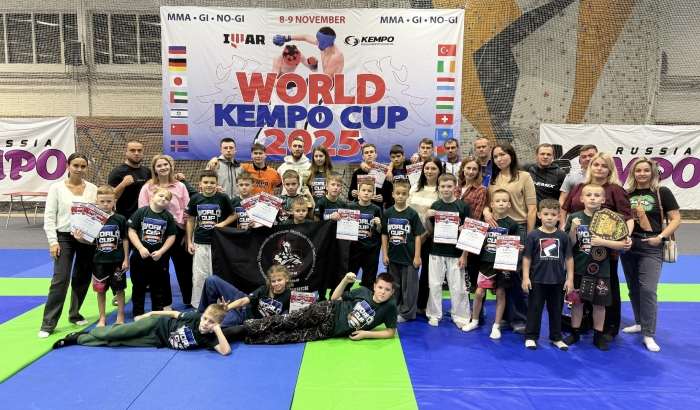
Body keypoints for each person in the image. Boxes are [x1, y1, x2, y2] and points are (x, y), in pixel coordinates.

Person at [561, 152, 634, 340]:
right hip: (580, 250)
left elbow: (627, 218)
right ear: (589, 166)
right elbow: (566, 211)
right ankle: (581, 326)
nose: (599, 168)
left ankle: (607, 330)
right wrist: (565, 233)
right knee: (579, 294)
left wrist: (625, 237)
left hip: (604, 252)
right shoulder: (579, 187)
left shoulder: (615, 190)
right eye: (596, 164)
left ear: (610, 169)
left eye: (604, 165)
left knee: (604, 292)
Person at [223, 272, 397, 344]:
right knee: (287, 321)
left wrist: (367, 334)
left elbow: (390, 332)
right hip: (328, 309)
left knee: (290, 337)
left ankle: (246, 337)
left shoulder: (389, 307)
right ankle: (240, 329)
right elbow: (334, 297)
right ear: (374, 286)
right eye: (380, 287)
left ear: (392, 292)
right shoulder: (364, 291)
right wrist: (345, 281)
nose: (383, 292)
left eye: (387, 290)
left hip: (330, 331)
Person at [620, 158, 682, 352]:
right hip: (629, 245)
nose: (642, 174)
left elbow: (676, 219)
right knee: (633, 288)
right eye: (638, 170)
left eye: (646, 170)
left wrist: (660, 237)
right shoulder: (626, 193)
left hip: (652, 245)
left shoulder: (662, 192)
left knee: (647, 290)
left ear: (653, 172)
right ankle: (639, 322)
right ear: (633, 173)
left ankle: (648, 334)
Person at [39, 153, 98, 338]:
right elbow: (49, 216)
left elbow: (98, 214)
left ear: (87, 168)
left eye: (83, 166)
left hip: (87, 238)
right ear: (68, 166)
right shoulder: (56, 188)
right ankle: (48, 323)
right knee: (60, 279)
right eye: (76, 166)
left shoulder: (93, 189)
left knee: (82, 277)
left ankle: (75, 313)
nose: (79, 169)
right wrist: (53, 242)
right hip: (64, 237)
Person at [564, 184, 626, 351]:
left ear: (603, 199)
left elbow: (622, 245)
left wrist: (602, 242)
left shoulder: (610, 219)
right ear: (581, 198)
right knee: (576, 303)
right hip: (579, 268)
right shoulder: (575, 217)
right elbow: (569, 245)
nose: (592, 198)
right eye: (589, 195)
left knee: (600, 304)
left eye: (597, 195)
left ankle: (598, 336)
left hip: (602, 270)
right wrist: (573, 229)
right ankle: (575, 333)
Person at [483, 142, 536, 334]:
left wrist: (529, 237)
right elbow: (488, 203)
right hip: (498, 230)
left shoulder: (524, 177)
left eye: (502, 155)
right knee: (502, 274)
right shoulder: (493, 179)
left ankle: (520, 318)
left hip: (518, 228)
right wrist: (486, 213)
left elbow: (532, 208)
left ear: (511, 156)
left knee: (517, 273)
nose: (499, 159)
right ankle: (505, 315)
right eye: (496, 156)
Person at [52, 304, 231, 356]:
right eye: (205, 318)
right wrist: (151, 313)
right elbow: (174, 314)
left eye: (211, 322)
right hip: (156, 324)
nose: (205, 323)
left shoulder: (209, 338)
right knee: (118, 332)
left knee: (118, 342)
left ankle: (79, 338)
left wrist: (217, 330)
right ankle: (88, 333)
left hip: (157, 340)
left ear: (217, 324)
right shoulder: (193, 318)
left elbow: (225, 351)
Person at [462, 190, 520, 338]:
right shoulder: (484, 222)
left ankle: (496, 325)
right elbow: (475, 239)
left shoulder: (512, 224)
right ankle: (475, 321)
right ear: (492, 205)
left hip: (503, 264)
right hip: (486, 262)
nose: (501, 204)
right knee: (479, 293)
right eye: (498, 201)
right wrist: (465, 231)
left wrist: (518, 247)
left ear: (509, 204)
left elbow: (516, 243)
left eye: (504, 201)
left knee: (500, 293)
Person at [138, 154, 192, 308]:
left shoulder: (180, 186)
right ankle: (165, 303)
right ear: (154, 169)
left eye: (165, 164)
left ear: (170, 166)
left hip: (178, 232)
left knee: (184, 268)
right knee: (161, 270)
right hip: (157, 234)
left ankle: (190, 299)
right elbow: (142, 212)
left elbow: (187, 212)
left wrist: (187, 235)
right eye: (159, 165)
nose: (163, 168)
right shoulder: (147, 188)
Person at [521, 199, 574, 350]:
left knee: (556, 311)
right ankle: (531, 336)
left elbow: (568, 258)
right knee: (534, 310)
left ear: (559, 217)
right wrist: (526, 277)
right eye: (546, 214)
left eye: (553, 214)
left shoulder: (563, 236)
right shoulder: (533, 235)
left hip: (558, 280)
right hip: (537, 280)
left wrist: (570, 279)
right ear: (539, 215)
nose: (549, 217)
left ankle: (556, 337)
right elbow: (527, 258)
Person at [74, 186, 130, 327]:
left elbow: (125, 239)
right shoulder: (94, 220)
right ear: (96, 201)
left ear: (114, 201)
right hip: (99, 262)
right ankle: (102, 318)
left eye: (109, 201)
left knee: (119, 289)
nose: (105, 204)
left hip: (117, 261)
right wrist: (80, 239)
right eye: (102, 201)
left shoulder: (120, 219)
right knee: (100, 290)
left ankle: (120, 315)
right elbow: (91, 241)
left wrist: (126, 259)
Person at [424, 173, 471, 328]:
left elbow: (468, 233)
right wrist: (427, 218)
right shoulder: (435, 205)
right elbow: (430, 231)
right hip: (436, 250)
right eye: (443, 186)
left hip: (456, 252)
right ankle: (434, 314)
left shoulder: (462, 206)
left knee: (458, 286)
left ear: (455, 187)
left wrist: (464, 255)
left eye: (449, 186)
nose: (446, 189)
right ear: (439, 187)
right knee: (434, 284)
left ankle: (460, 315)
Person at [186, 170, 237, 309]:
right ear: (200, 184)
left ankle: (220, 305)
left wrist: (222, 224)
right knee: (199, 275)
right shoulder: (195, 198)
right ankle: (199, 305)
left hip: (218, 243)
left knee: (218, 274)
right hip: (200, 242)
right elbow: (191, 220)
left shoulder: (223, 197)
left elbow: (233, 215)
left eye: (212, 182)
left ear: (217, 184)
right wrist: (189, 241)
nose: (209, 185)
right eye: (206, 182)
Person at [128, 187, 178, 318]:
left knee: (158, 287)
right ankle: (138, 313)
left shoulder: (168, 217)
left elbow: (171, 236)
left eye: (167, 198)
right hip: (139, 256)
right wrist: (140, 248)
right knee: (138, 286)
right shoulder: (141, 212)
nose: (163, 199)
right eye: (161, 196)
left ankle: (157, 313)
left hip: (158, 258)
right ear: (152, 196)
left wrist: (161, 251)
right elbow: (131, 231)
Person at [381, 180, 426, 322]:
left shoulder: (412, 214)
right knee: (395, 286)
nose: (400, 196)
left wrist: (417, 256)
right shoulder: (387, 213)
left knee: (410, 287)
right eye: (398, 193)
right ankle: (395, 309)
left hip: (409, 258)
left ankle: (407, 313)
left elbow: (418, 236)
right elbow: (384, 235)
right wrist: (385, 254)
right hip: (393, 257)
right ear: (393, 195)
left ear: (408, 195)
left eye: (404, 194)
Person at [199, 265, 292, 328]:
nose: (276, 283)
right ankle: (202, 313)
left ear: (287, 279)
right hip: (240, 300)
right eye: (273, 281)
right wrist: (227, 308)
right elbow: (243, 301)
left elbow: (295, 314)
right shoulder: (264, 289)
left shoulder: (289, 296)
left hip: (243, 316)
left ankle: (202, 319)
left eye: (279, 280)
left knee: (210, 324)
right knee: (212, 280)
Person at [408, 157, 442, 315]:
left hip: (430, 237)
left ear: (439, 171)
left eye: (433, 168)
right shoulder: (415, 187)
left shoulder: (441, 190)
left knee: (428, 273)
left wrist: (426, 234)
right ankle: (407, 303)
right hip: (411, 236)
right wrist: (414, 235)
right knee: (409, 270)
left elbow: (441, 217)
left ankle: (422, 304)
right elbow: (407, 209)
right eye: (427, 168)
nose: (429, 171)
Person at [456, 156, 489, 291]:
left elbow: (476, 217)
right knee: (459, 277)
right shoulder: (457, 188)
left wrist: (466, 231)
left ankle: (477, 306)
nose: (470, 171)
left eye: (474, 169)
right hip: (455, 235)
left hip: (472, 237)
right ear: (463, 169)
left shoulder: (481, 190)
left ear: (478, 171)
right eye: (468, 168)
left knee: (474, 279)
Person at [347, 179, 383, 290]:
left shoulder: (376, 209)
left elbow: (379, 231)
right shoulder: (351, 207)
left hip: (371, 249)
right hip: (354, 248)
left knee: (369, 279)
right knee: (349, 277)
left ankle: (367, 298)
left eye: (369, 191)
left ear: (373, 194)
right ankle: (343, 298)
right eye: (363, 190)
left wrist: (379, 224)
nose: (366, 193)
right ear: (358, 192)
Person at [522, 143, 566, 225]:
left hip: (549, 221)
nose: (545, 157)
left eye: (548, 154)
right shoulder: (526, 168)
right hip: (527, 219)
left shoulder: (560, 174)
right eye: (542, 154)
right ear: (536, 155)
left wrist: (561, 224)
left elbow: (562, 200)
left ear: (553, 157)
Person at [273, 26, 344, 76]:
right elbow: (305, 37)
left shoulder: (335, 57)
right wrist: (286, 38)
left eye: (318, 40)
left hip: (333, 86)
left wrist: (311, 81)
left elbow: (325, 78)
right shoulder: (324, 45)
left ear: (324, 42)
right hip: (326, 82)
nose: (316, 41)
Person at [109, 140, 151, 221]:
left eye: (139, 150)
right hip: (125, 218)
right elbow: (110, 197)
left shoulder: (148, 171)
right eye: (132, 150)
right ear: (126, 152)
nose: (136, 153)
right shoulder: (117, 172)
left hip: (144, 217)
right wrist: (123, 184)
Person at [559, 144, 598, 227]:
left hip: (599, 223)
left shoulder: (604, 177)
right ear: (580, 160)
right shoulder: (571, 177)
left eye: (591, 156)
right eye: (584, 157)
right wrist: (562, 224)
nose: (587, 159)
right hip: (576, 222)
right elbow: (562, 200)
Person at [348, 143, 389, 209]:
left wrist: (383, 197)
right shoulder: (357, 173)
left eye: (371, 152)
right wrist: (352, 194)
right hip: (360, 209)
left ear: (376, 154)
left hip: (376, 208)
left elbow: (389, 192)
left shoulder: (383, 172)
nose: (369, 154)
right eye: (366, 152)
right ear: (363, 156)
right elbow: (350, 196)